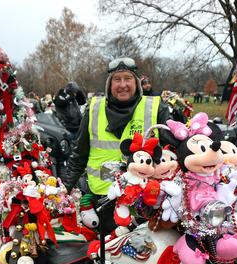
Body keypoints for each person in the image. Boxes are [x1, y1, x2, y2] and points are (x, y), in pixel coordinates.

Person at [62, 57, 175, 235]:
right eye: (117, 79)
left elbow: (174, 147)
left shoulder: (154, 107)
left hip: (145, 201)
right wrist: (62, 192)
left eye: (128, 78)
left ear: (136, 83)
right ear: (109, 85)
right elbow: (79, 155)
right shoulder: (94, 108)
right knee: (108, 255)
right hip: (104, 199)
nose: (122, 84)